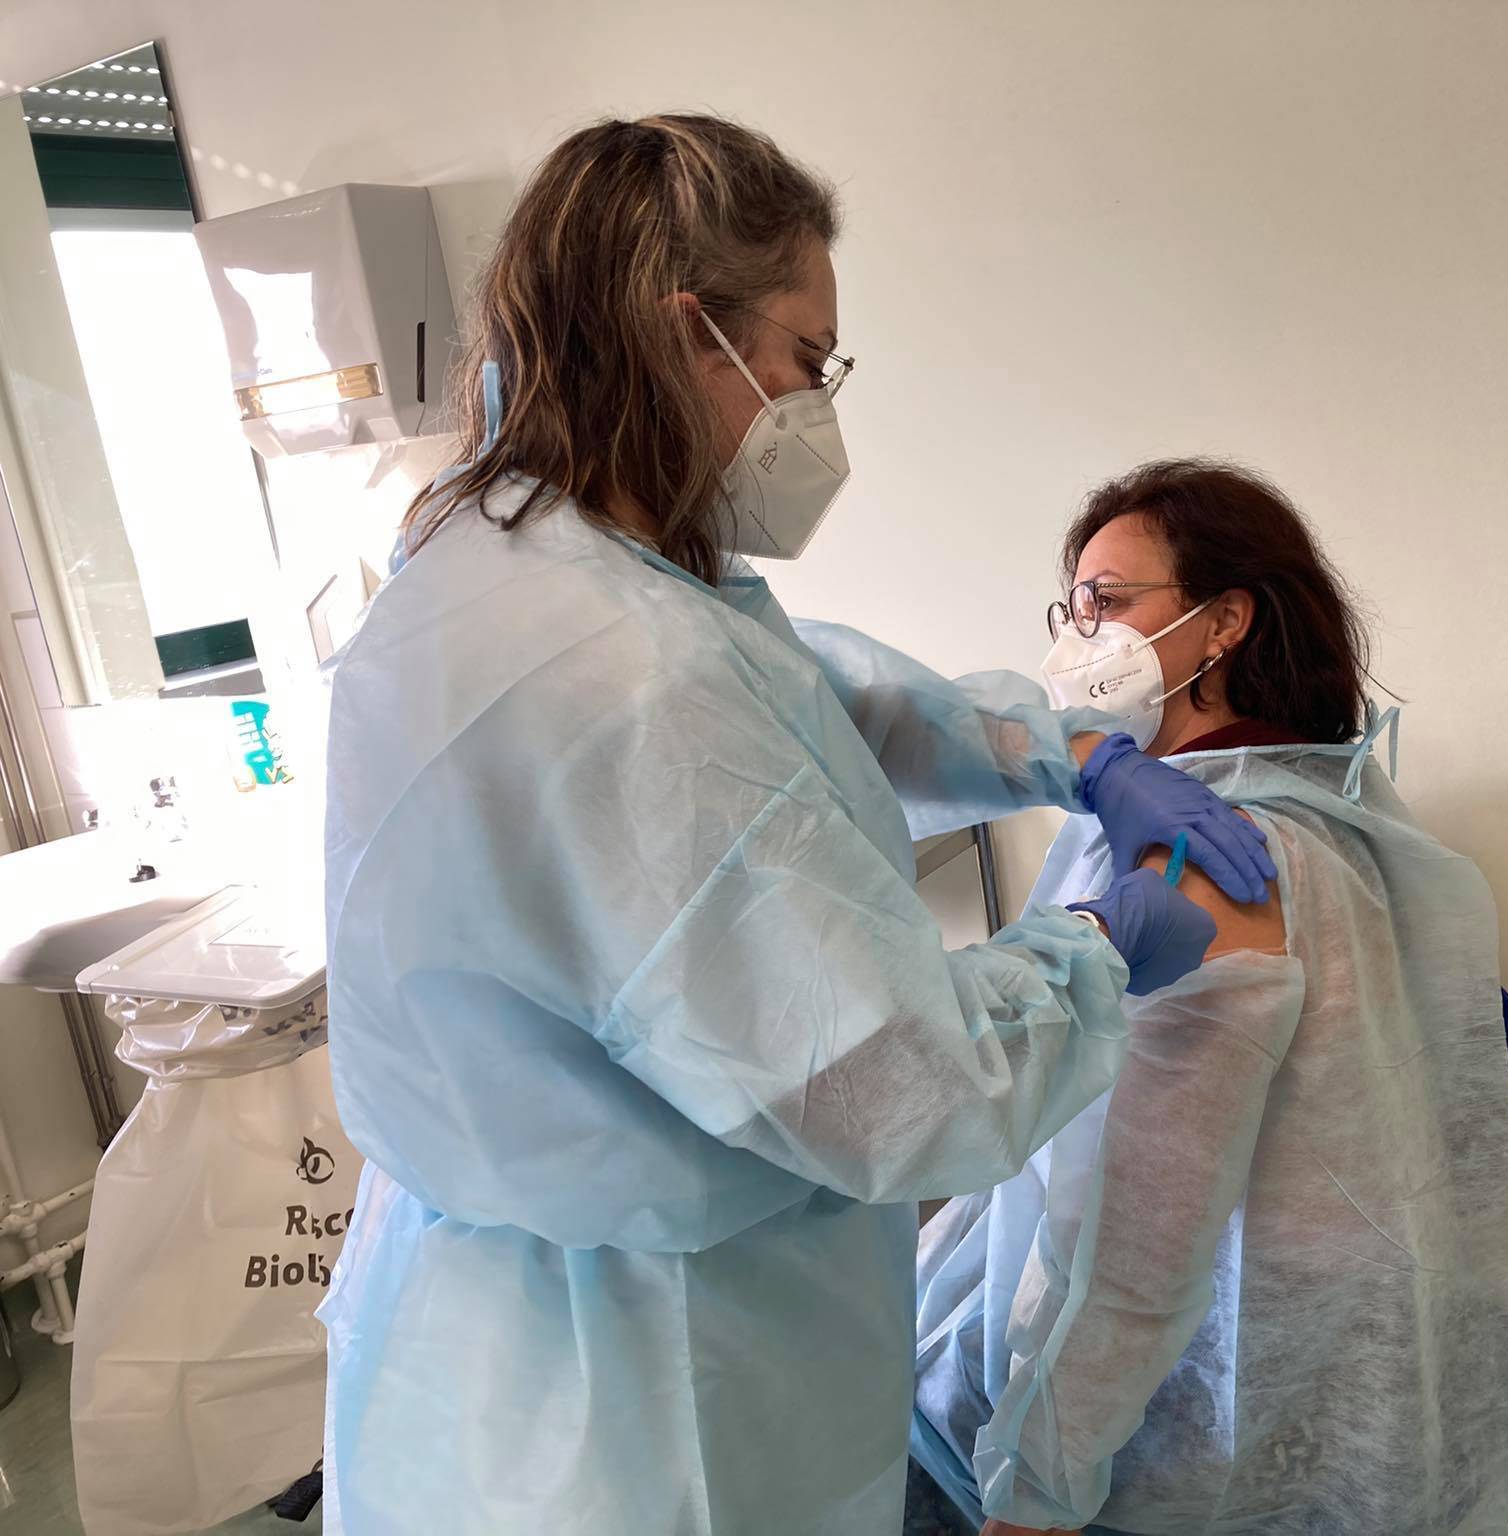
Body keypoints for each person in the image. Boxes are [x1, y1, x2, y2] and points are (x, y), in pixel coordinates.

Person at [317, 117, 1277, 1534]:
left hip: (486, 1346)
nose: (813, 404)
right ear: (684, 332)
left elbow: (811, 698)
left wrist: (1062, 749)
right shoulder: (625, 668)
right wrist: (1097, 948)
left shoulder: (504, 553)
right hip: (653, 1392)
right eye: (806, 358)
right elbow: (897, 1085)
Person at [908, 460, 1508, 1536]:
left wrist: (1040, 1488)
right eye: (1071, 609)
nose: (1075, 644)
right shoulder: (1329, 809)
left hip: (1211, 1381)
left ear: (1223, 623)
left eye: (1107, 603)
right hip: (1339, 1349)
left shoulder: (1207, 854)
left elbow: (1139, 1238)